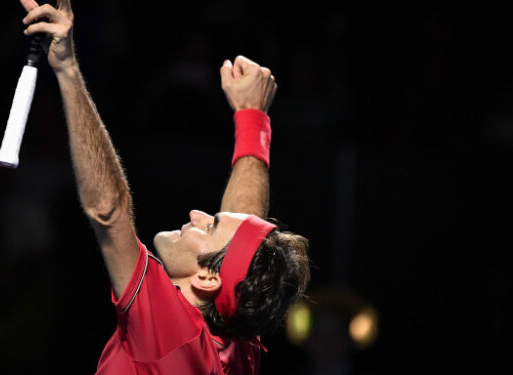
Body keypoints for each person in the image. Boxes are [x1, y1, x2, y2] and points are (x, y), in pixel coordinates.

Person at [19, 0, 311, 373]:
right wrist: (251, 118)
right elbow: (244, 232)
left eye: (209, 226)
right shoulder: (237, 343)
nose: (195, 215)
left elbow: (108, 210)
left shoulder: (172, 332)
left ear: (208, 278)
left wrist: (67, 67)